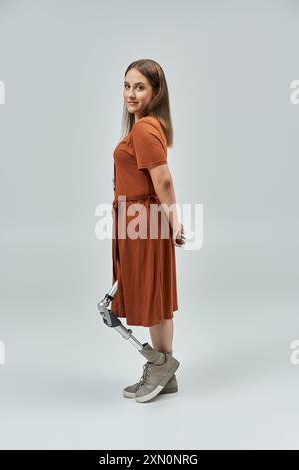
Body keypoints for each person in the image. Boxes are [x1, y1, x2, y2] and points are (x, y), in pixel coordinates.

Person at [111, 59, 186, 403]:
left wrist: (174, 220)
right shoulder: (145, 126)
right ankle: (164, 372)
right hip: (139, 219)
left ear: (156, 92)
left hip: (144, 220)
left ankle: (162, 366)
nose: (131, 93)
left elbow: (163, 180)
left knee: (153, 297)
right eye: (127, 85)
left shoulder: (145, 129)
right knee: (153, 294)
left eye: (139, 87)